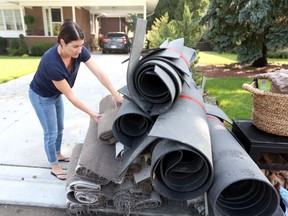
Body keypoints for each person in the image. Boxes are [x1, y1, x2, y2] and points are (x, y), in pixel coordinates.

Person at [29, 21, 123, 180]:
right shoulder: (51, 62)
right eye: (75, 46)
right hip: (41, 97)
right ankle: (54, 165)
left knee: (60, 127)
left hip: (55, 94)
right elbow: (71, 95)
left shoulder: (79, 51)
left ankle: (57, 153)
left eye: (81, 45)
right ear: (62, 42)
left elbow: (99, 72)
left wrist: (115, 94)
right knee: (50, 132)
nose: (79, 50)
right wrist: (92, 113)